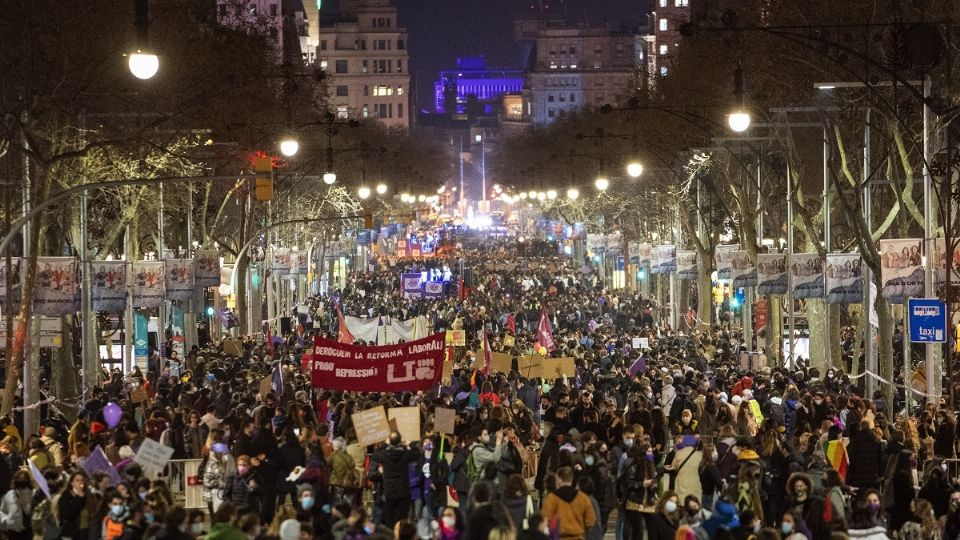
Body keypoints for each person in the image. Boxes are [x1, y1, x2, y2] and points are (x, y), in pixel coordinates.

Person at [371, 431, 420, 528]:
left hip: (389, 491)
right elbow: (417, 454)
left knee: (390, 519)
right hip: (403, 491)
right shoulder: (405, 454)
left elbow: (375, 455)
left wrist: (385, 444)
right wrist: (410, 444)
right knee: (402, 520)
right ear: (400, 440)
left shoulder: (384, 454)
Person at [541, 466, 596, 540]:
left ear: (559, 479)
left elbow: (545, 519)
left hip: (559, 537)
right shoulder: (583, 498)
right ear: (571, 479)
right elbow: (590, 521)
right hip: (578, 537)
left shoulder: (552, 498)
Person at [0, 469, 32, 540]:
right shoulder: (9, 494)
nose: (22, 480)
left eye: (24, 478)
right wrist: (6, 521)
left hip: (28, 531)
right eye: (20, 478)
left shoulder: (33, 494)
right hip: (13, 532)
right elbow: (2, 511)